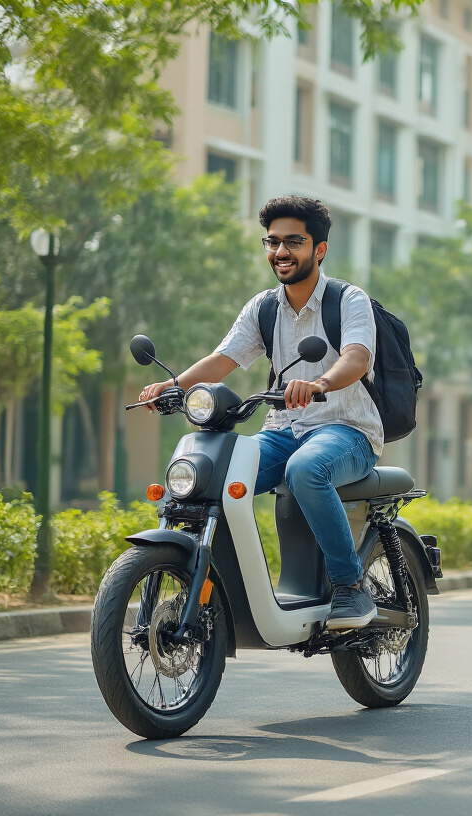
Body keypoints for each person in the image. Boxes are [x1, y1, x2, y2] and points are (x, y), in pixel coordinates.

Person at [139, 196, 382, 630]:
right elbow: (223, 359)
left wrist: (320, 382)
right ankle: (210, 586)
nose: (281, 252)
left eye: (294, 242)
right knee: (211, 474)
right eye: (272, 243)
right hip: (282, 429)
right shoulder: (263, 307)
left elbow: (358, 358)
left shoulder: (348, 300)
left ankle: (351, 587)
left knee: (304, 470)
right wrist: (174, 386)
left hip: (347, 430)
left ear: (319, 249)